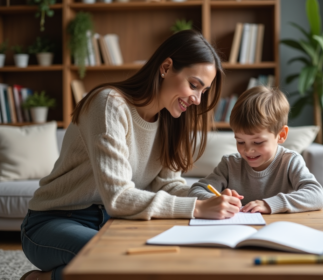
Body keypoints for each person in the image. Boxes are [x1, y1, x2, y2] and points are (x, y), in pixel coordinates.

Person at [20, 30, 242, 280]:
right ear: (166, 67)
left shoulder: (171, 120)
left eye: (203, 91)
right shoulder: (109, 104)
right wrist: (198, 208)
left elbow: (168, 184)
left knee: (158, 262)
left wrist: (207, 199)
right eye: (194, 85)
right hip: (55, 220)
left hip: (114, 221)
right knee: (117, 263)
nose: (198, 100)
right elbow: (118, 197)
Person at [188, 85, 323, 214]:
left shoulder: (290, 161)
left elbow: (317, 196)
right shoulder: (229, 164)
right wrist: (215, 200)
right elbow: (196, 190)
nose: (248, 150)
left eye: (258, 142)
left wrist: (270, 204)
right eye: (240, 141)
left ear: (281, 135)